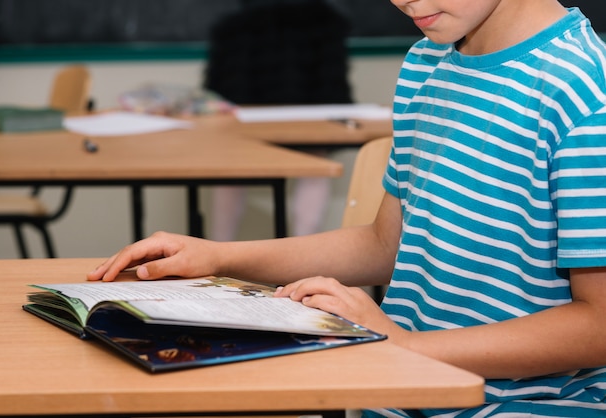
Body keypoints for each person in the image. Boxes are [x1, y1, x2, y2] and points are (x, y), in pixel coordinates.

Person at [88, 1, 606, 416]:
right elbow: (386, 245)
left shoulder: (584, 91)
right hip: (403, 383)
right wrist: (219, 257)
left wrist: (408, 345)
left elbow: (599, 325)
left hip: (532, 402)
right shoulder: (428, 63)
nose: (402, 1)